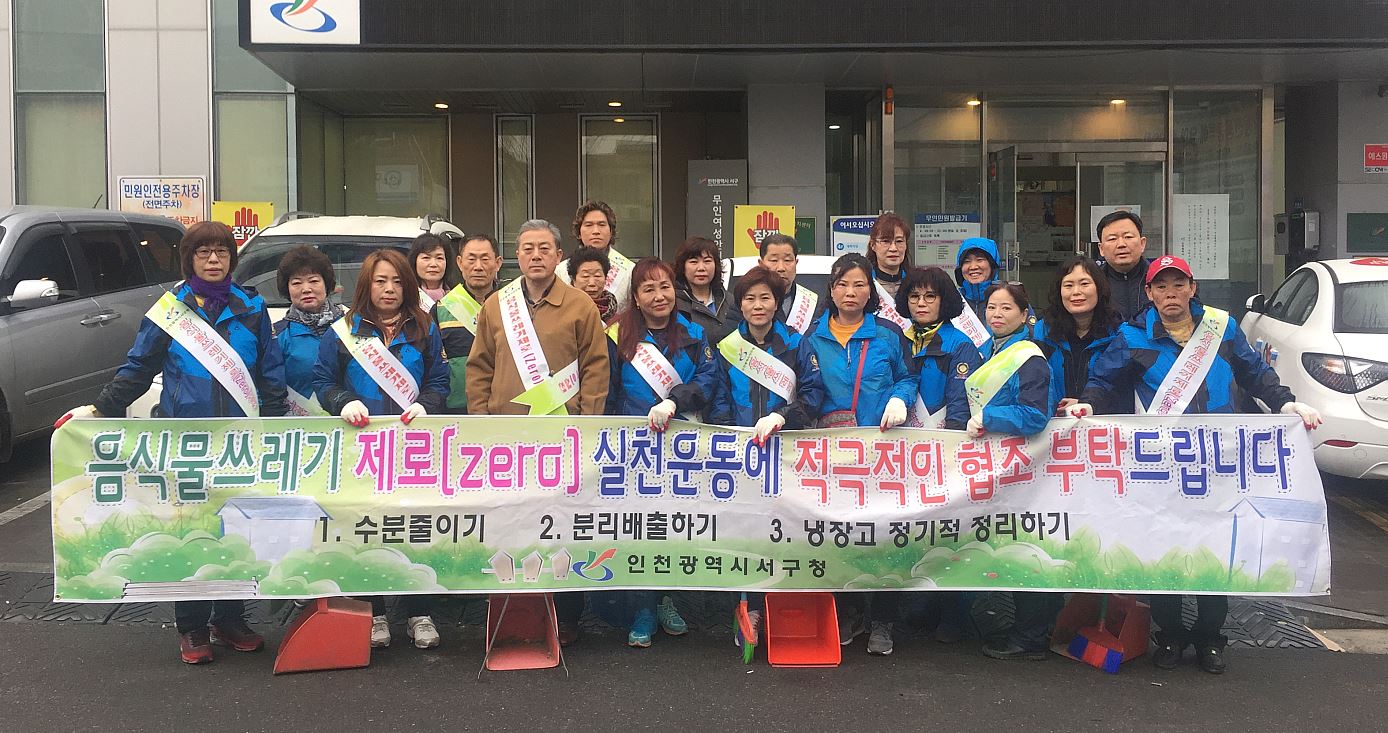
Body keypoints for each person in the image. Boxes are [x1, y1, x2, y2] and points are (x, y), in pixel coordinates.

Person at [1069, 254, 1323, 674]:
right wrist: (1088, 405)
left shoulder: (1222, 328)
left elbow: (1255, 373)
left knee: (1215, 549)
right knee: (1164, 548)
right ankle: (1169, 634)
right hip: (1163, 464)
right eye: (1161, 287)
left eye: (1178, 285)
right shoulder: (1133, 335)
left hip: (1219, 463)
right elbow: (1103, 380)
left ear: (1192, 288)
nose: (1170, 294)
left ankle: (1210, 638)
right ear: (1149, 293)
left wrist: (1286, 404)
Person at [59, 221, 288, 665]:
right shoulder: (170, 309)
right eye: (204, 252)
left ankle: (230, 619)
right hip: (185, 442)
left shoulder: (251, 307)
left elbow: (270, 371)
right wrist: (101, 409)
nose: (214, 259)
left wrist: (275, 424)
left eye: (222, 251)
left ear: (232, 258)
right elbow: (138, 366)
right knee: (190, 530)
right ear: (189, 259)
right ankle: (192, 626)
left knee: (235, 530)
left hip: (240, 442)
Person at [467, 218, 610, 645]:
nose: (535, 256)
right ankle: (511, 610)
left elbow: (596, 369)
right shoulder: (498, 305)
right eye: (527, 248)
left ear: (559, 256)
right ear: (516, 256)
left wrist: (585, 424)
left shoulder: (580, 305)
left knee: (562, 524)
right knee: (511, 522)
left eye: (544, 248)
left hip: (561, 437)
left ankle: (566, 616)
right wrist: (481, 421)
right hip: (507, 439)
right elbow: (479, 367)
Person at [312, 248, 450, 651]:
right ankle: (373, 612)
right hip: (364, 449)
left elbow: (439, 381)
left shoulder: (424, 328)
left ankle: (419, 612)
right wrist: (342, 402)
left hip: (413, 448)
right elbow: (323, 381)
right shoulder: (343, 331)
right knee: (368, 527)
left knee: (415, 528)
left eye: (396, 281)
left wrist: (427, 405)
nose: (389, 289)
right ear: (366, 285)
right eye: (380, 281)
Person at [707, 265, 826, 649]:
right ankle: (749, 607)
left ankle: (786, 606)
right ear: (739, 305)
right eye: (750, 298)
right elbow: (719, 398)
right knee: (745, 533)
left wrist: (783, 417)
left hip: (787, 452)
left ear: (777, 303)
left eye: (765, 298)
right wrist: (731, 436)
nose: (758, 306)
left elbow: (813, 394)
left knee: (785, 531)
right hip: (742, 454)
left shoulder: (796, 344)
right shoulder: (727, 347)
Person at [604, 257, 720, 647]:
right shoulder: (617, 335)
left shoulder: (694, 333)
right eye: (649, 289)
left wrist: (674, 400)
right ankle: (644, 607)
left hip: (682, 446)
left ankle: (667, 599)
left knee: (673, 526)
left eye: (665, 286)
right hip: (634, 448)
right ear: (636, 297)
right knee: (641, 527)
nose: (659, 296)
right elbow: (609, 391)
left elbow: (708, 380)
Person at [806, 253, 916, 655]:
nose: (850, 292)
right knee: (840, 535)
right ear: (831, 290)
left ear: (871, 291)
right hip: (831, 455)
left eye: (859, 284)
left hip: (881, 452)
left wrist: (900, 400)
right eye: (842, 284)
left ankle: (883, 619)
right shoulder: (812, 337)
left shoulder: (888, 334)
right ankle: (849, 611)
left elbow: (908, 377)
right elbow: (804, 388)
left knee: (884, 535)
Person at [965, 281, 1061, 661]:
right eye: (991, 307)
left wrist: (988, 416)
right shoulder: (988, 350)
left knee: (1026, 546)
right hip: (996, 467)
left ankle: (1032, 635)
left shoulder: (1029, 358)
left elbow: (1035, 414)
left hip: (1024, 467)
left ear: (1024, 314)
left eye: (1006, 308)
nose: (997, 314)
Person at [1034, 256, 1123, 414]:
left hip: (1103, 422)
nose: (1076, 292)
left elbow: (1122, 386)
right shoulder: (1043, 331)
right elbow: (1035, 383)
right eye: (1068, 285)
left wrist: (1085, 404)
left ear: (1099, 288)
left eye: (1084, 284)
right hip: (1053, 422)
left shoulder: (1118, 332)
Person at [898, 266, 981, 431]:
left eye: (930, 296)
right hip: (899, 437)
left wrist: (950, 440)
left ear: (944, 300)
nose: (921, 303)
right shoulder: (898, 340)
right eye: (914, 296)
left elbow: (960, 405)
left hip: (942, 439)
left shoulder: (960, 345)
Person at [274, 245, 345, 415]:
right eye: (296, 283)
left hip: (353, 422)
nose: (306, 289)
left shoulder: (350, 327)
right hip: (299, 425)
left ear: (326, 284)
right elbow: (272, 388)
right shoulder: (278, 335)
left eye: (313, 281)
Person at [436, 233, 502, 414]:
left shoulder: (512, 304)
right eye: (471, 259)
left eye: (485, 259)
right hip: (456, 408)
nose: (478, 267)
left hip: (504, 406)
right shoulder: (442, 309)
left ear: (498, 263)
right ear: (459, 262)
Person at [557, 200, 634, 309]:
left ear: (611, 231)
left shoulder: (629, 270)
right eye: (589, 225)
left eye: (602, 225)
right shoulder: (561, 270)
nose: (596, 231)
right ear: (579, 232)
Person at [759, 232, 825, 335]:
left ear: (796, 263)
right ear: (761, 264)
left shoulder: (815, 303)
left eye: (787, 260)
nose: (781, 268)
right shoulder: (745, 302)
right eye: (774, 260)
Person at [673, 236, 736, 342]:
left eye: (707, 261)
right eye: (694, 262)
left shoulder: (729, 300)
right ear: (683, 267)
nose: (701, 268)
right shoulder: (674, 303)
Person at [1094, 210, 1151, 321]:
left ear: (1142, 243)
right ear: (1101, 249)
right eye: (1112, 239)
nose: (1121, 244)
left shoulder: (1158, 279)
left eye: (1128, 237)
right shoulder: (1093, 282)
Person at [868, 213, 914, 331]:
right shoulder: (864, 283)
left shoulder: (916, 283)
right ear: (873, 245)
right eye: (886, 241)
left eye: (899, 241)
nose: (893, 248)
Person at [954, 237, 1002, 323]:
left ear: (992, 265)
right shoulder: (952, 301)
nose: (973, 267)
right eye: (967, 261)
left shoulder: (1009, 299)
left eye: (980, 260)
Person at [567, 246, 619, 324]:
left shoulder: (617, 320)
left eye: (597, 276)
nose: (592, 283)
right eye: (585, 276)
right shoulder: (564, 312)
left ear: (605, 278)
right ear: (573, 280)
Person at [410, 233, 456, 312]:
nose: (433, 264)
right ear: (414, 261)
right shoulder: (405, 296)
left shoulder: (458, 297)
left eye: (439, 258)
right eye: (426, 258)